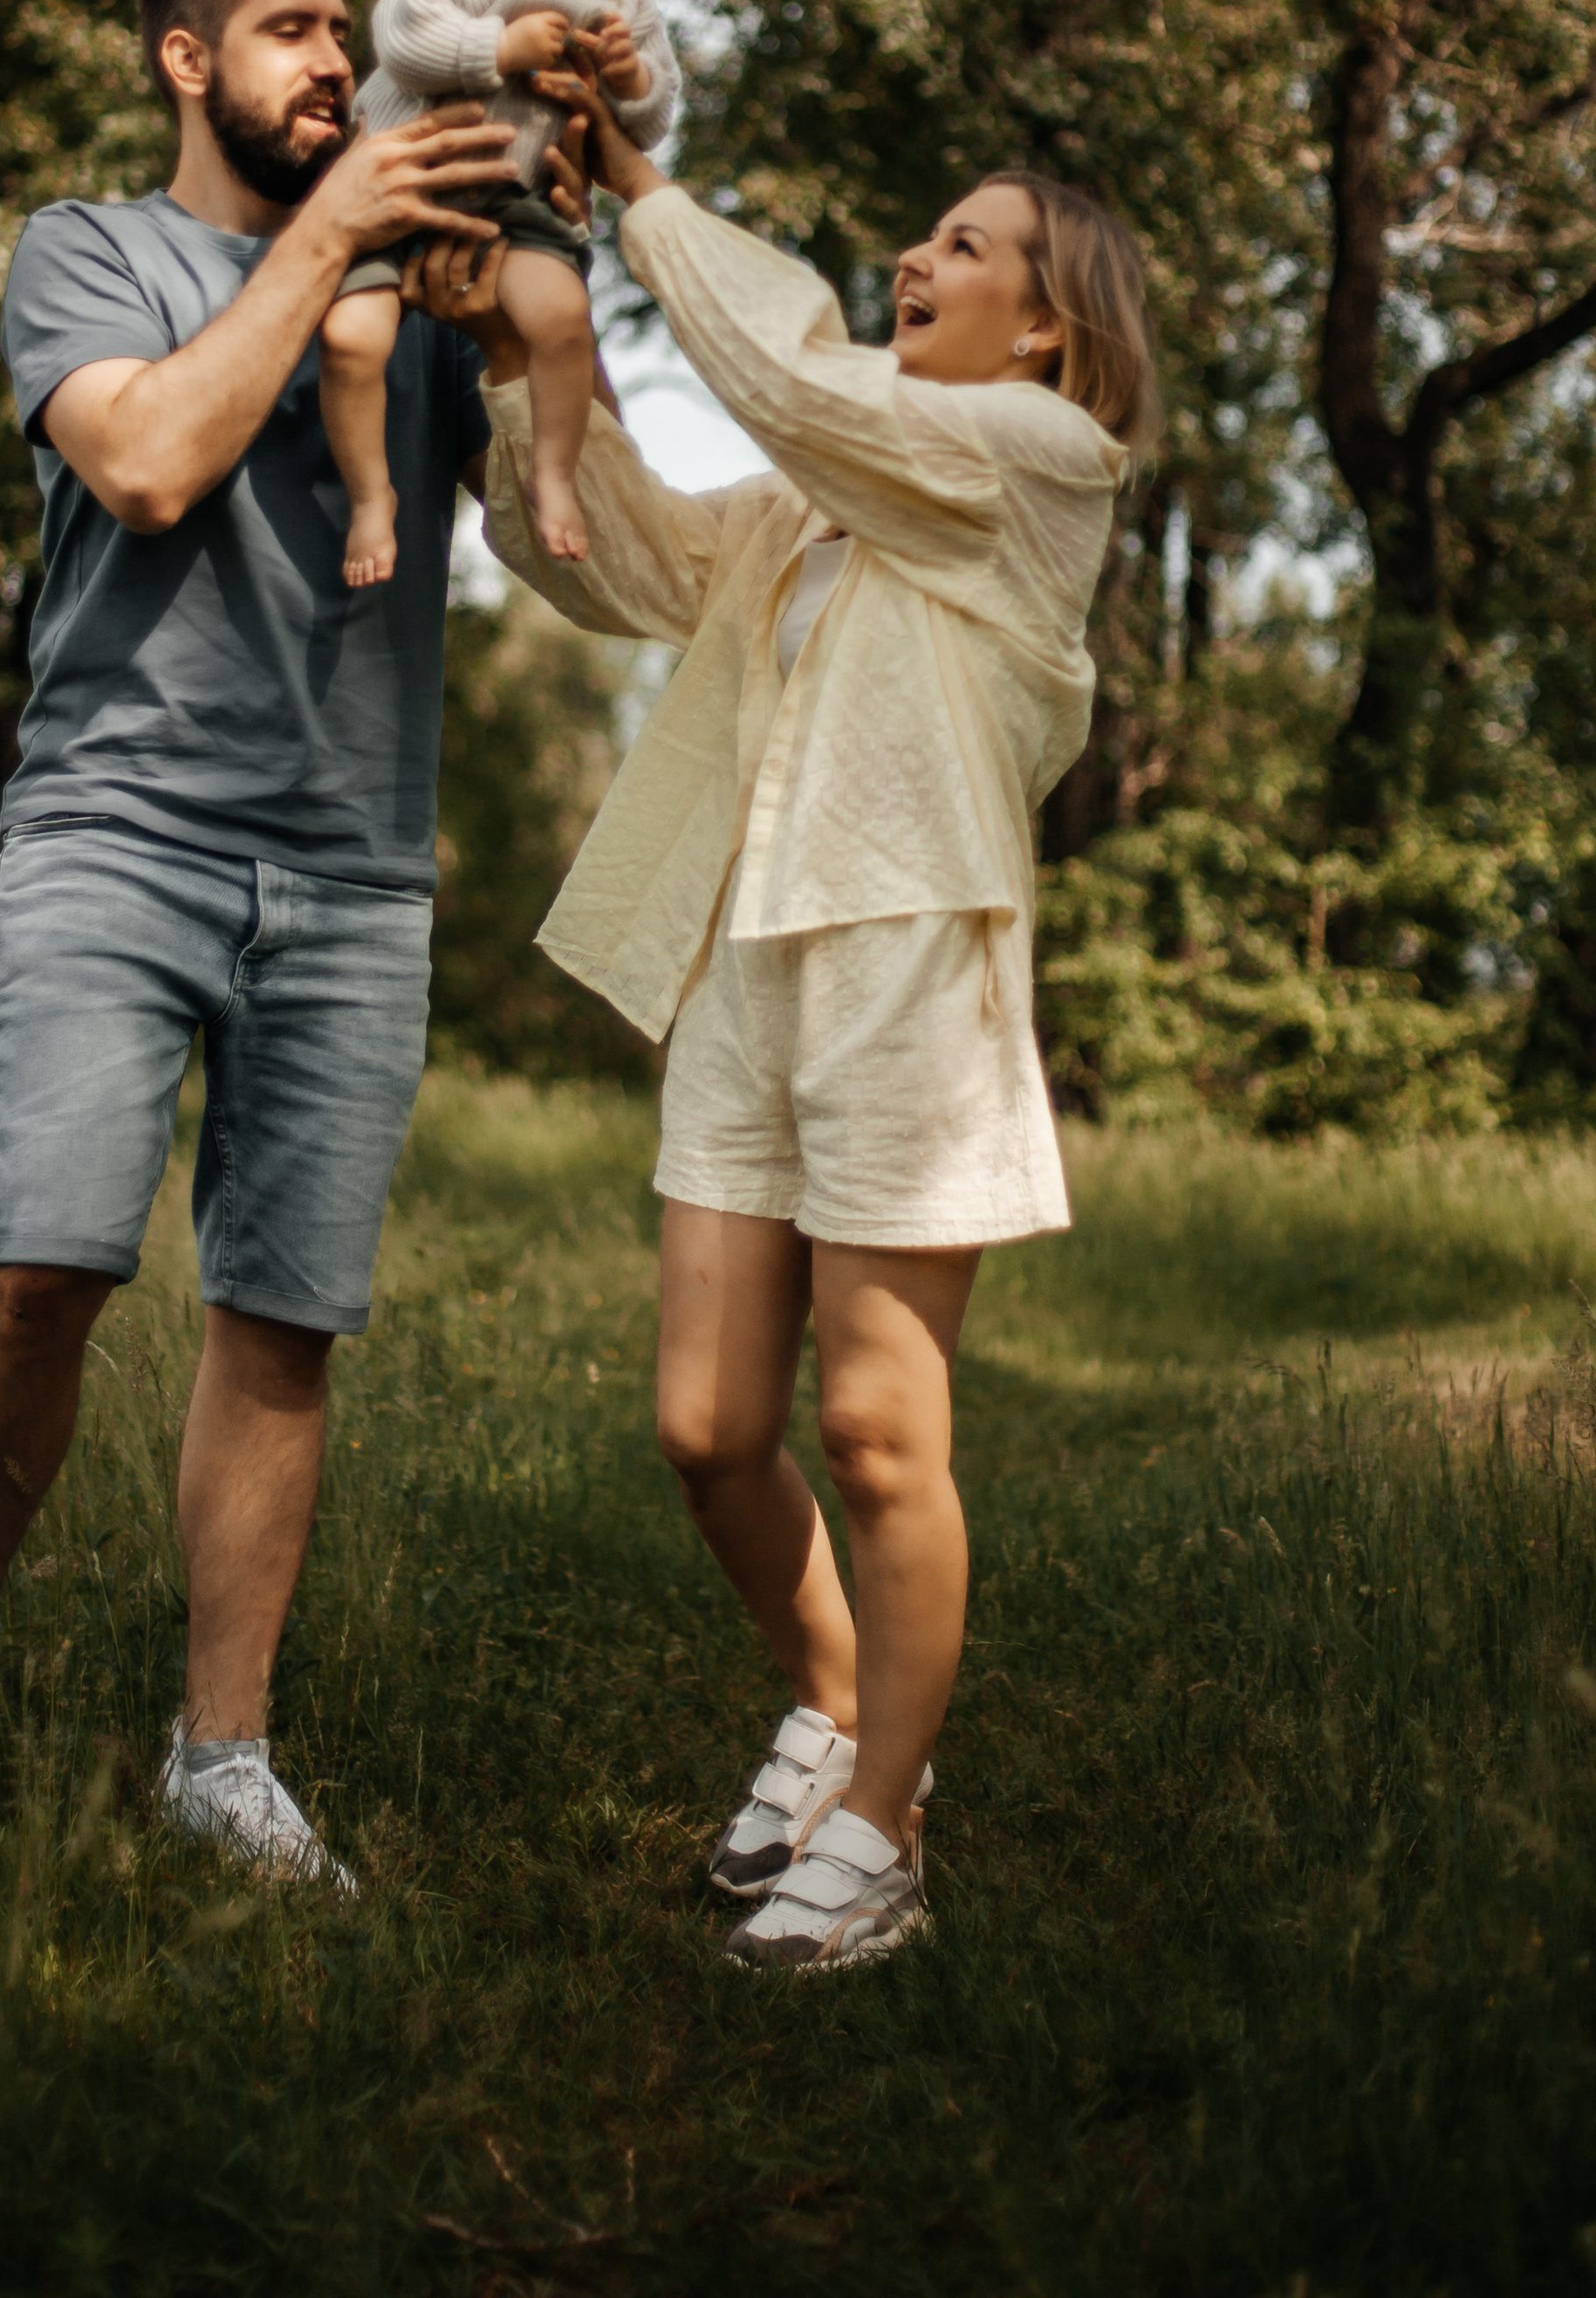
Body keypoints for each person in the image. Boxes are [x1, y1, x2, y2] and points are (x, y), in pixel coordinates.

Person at [0, 0, 553, 1876]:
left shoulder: (407, 288)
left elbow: (551, 545)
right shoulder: (88, 251)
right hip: (114, 827)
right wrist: (329, 245)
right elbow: (146, 463)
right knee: (46, 1255)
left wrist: (534, 334)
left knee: (280, 1317)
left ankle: (218, 1754)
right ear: (183, 60)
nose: (335, 63)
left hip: (355, 860)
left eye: (345, 32)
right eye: (292, 33)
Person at [426, 108, 1156, 1968]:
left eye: (963, 247)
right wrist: (519, 359)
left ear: (1051, 325)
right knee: (705, 1426)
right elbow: (612, 559)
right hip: (750, 977)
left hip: (913, 972)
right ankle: (833, 1707)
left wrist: (651, 197)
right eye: (920, 240)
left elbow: (786, 377)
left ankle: (887, 1828)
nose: (916, 263)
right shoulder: (820, 502)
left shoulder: (1037, 460)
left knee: (873, 1430)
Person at [317, 0, 678, 587]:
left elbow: (653, 121)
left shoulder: (629, 12)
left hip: (510, 207)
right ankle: (372, 498)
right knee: (352, 338)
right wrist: (498, 51)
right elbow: (406, 36)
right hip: (393, 188)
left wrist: (630, 82)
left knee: (561, 319)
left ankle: (552, 478)